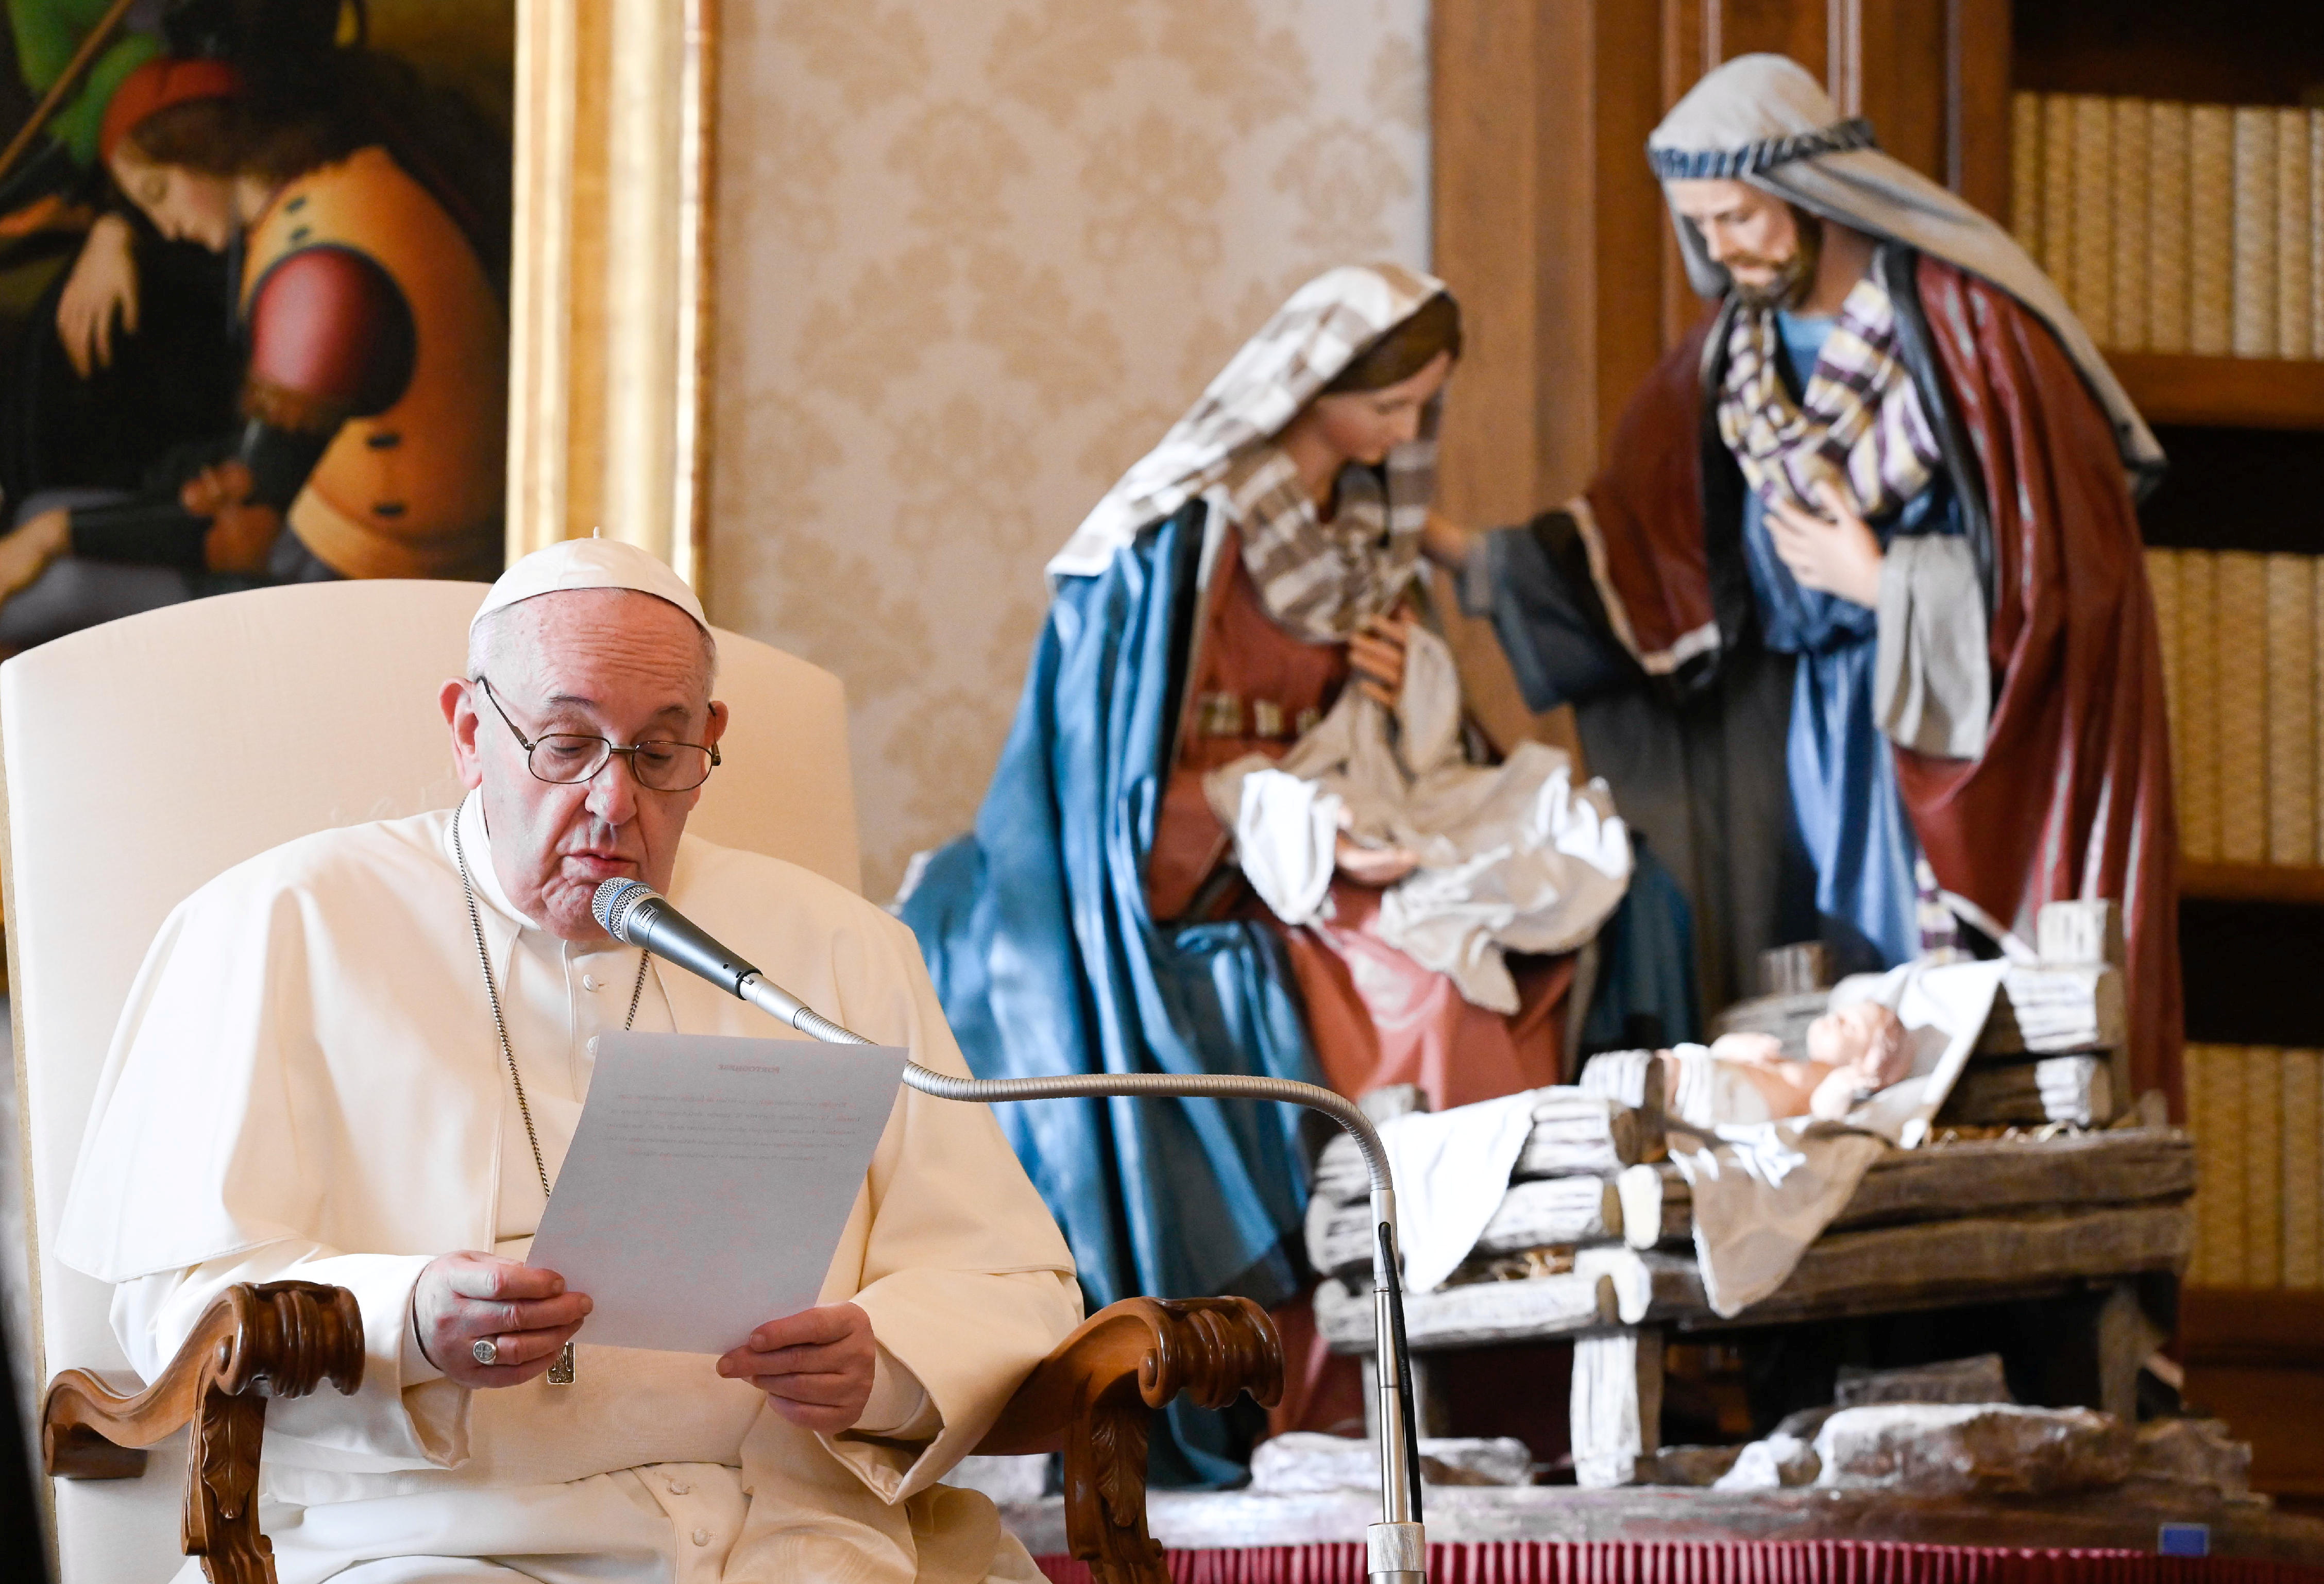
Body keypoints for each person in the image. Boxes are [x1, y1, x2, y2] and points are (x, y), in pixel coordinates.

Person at [56, 538, 1081, 1584]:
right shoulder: (278, 924)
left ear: (708, 743)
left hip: (795, 1531)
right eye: (564, 744)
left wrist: (888, 1363)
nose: (612, 803)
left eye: (658, 753)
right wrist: (406, 1317)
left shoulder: (833, 942)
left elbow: (1003, 1275)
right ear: (469, 731)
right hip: (433, 1538)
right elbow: (176, 1305)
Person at [902, 264, 1661, 1468]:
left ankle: (1512, 1361)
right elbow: (1126, 799)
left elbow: (1409, 740)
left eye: (1425, 409)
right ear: (1313, 389)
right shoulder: (1182, 537)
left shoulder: (1363, 536)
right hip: (1202, 866)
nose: (1408, 436)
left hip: (1329, 830)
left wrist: (1396, 691)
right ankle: (1357, 1385)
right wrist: (1273, 810)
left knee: (1572, 904)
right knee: (1424, 979)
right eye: (1390, 407)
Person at [1429, 55, 2182, 1111]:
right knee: (1821, 982)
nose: (1718, 247)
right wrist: (1460, 549)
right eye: (1700, 225)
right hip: (1799, 730)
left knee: (1934, 996)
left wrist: (1885, 585)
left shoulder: (1966, 332)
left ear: (1808, 194)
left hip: (1939, 726)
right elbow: (1634, 543)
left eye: (1736, 217)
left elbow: (2068, 577)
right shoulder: (1728, 357)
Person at [0, 48, 506, 650]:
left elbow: (252, 518)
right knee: (41, 515)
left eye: (160, 192)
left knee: (48, 589)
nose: (164, 226)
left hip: (374, 579)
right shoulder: (331, 191)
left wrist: (57, 535)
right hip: (329, 526)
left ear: (206, 147)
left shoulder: (317, 272)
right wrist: (52, 528)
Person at [1656, 1002, 1910, 1129]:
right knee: (1664, 1066)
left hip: (1723, 1103)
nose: (1834, 1018)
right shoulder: (1796, 1063)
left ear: (1866, 1062)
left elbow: (1821, 1115)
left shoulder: (1828, 1082)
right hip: (1711, 1081)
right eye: (1841, 1013)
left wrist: (1842, 1086)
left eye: (1849, 1026)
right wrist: (1731, 1045)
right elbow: (1720, 1056)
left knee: (1662, 1071)